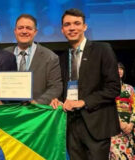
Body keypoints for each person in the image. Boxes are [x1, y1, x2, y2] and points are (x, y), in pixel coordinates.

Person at [50, 8, 121, 159]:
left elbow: (113, 88)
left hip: (96, 124)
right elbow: (64, 88)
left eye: (77, 23)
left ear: (85, 27)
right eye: (67, 24)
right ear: (62, 30)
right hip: (71, 125)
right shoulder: (62, 58)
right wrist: (58, 100)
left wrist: (83, 102)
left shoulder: (103, 49)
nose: (72, 28)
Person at [0, 14, 62, 105]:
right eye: (20, 28)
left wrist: (36, 103)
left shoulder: (50, 57)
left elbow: (55, 87)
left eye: (28, 28)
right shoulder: (2, 54)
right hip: (7, 110)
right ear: (15, 31)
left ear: (35, 32)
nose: (24, 31)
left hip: (36, 112)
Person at [110, 63, 135, 159]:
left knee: (130, 152)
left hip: (129, 127)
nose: (119, 71)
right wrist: (119, 123)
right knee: (116, 153)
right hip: (115, 125)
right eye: (117, 69)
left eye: (121, 69)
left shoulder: (129, 88)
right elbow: (109, 107)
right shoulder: (108, 89)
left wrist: (131, 123)